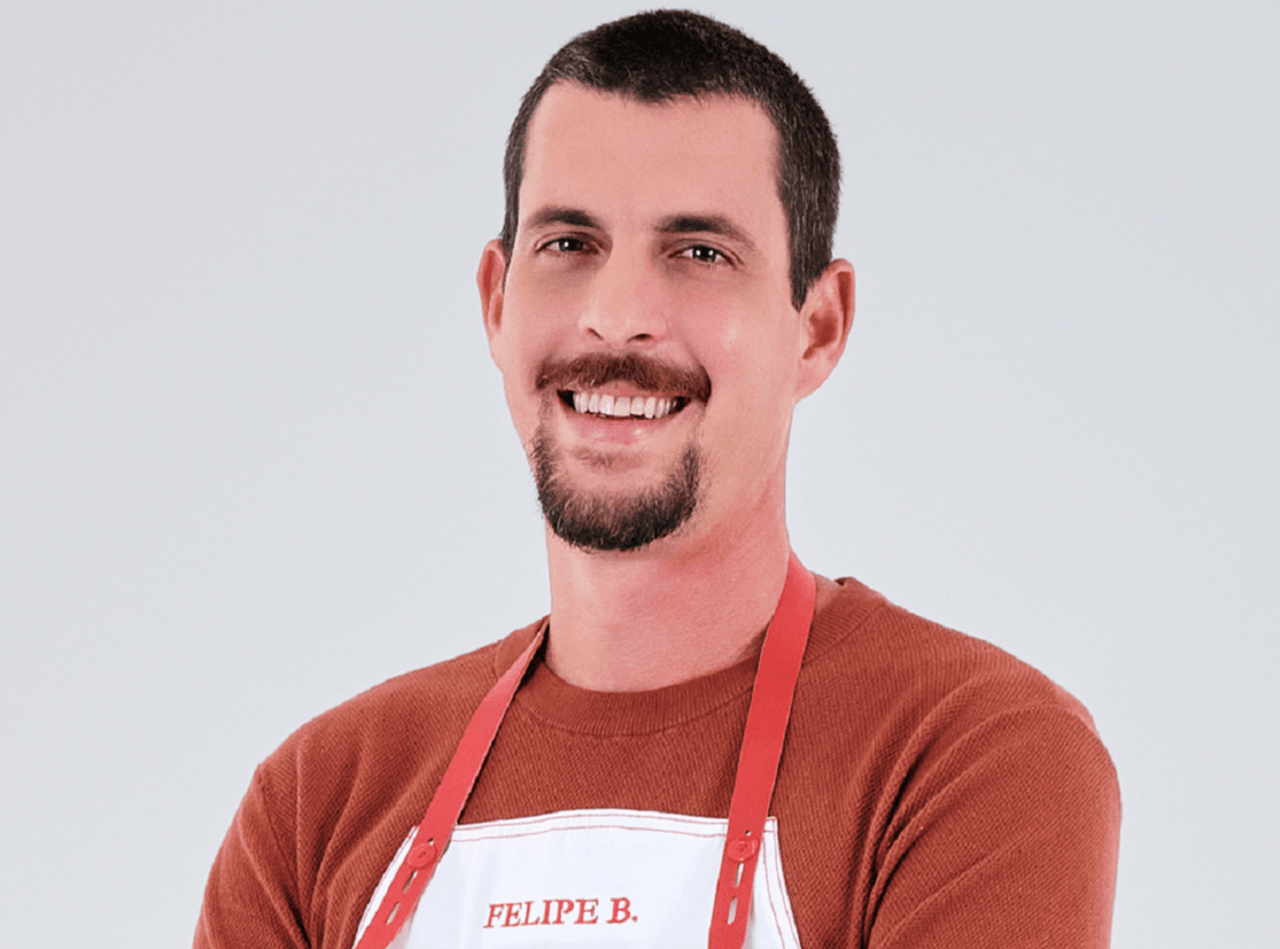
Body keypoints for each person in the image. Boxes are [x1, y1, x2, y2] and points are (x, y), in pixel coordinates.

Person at [195, 11, 1120, 949]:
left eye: (700, 253)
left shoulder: (968, 754)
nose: (617, 316)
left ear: (818, 326)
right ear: (496, 300)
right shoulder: (319, 800)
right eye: (569, 244)